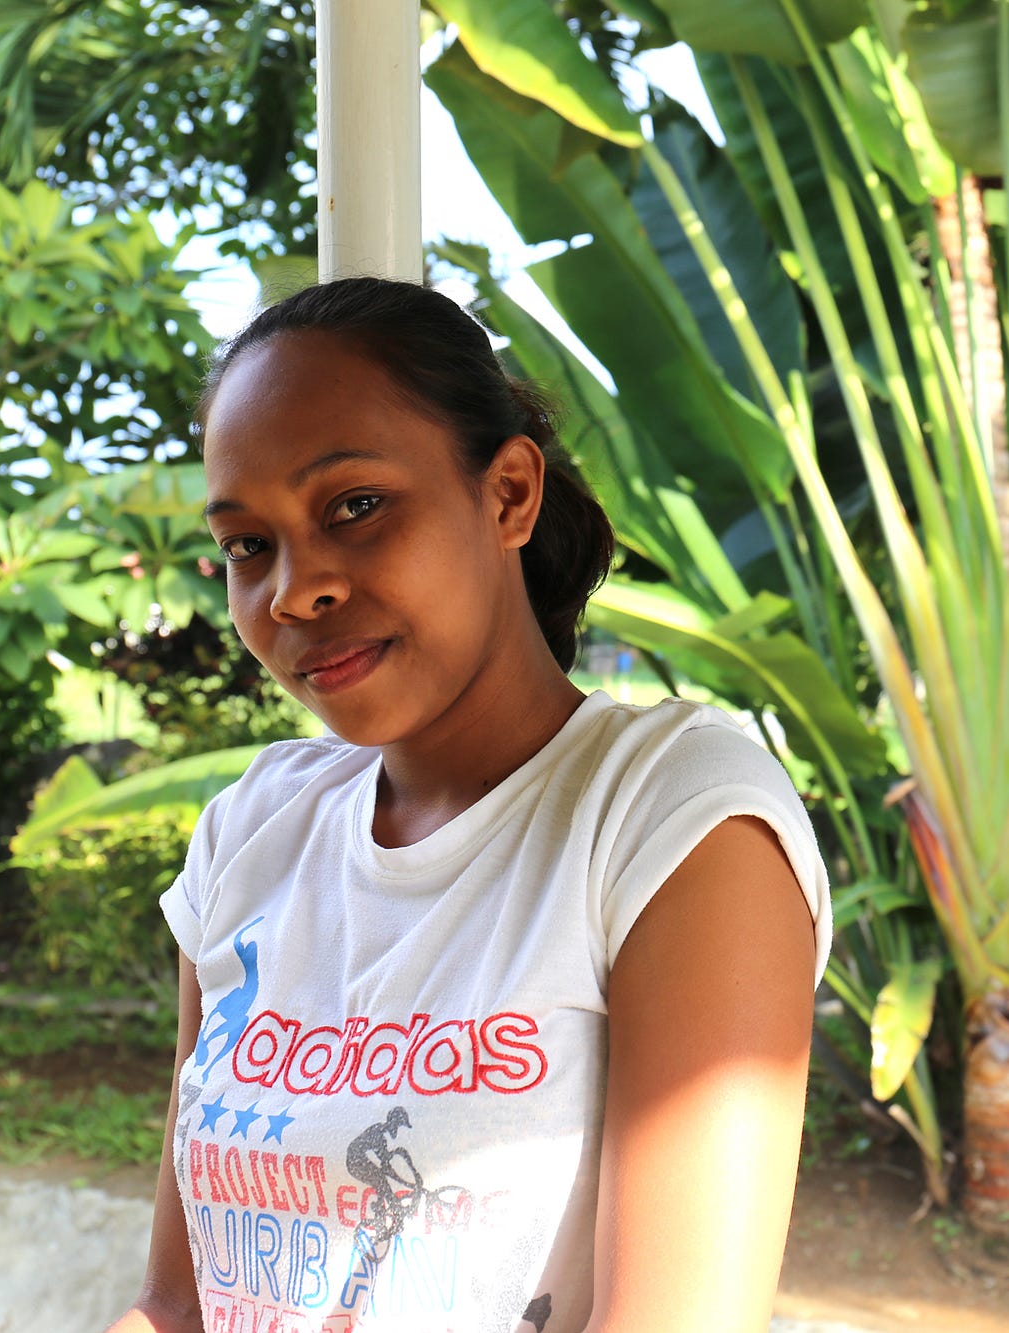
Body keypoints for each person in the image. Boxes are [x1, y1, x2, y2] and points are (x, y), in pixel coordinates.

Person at [107, 277, 830, 1333]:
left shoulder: (669, 820)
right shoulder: (251, 832)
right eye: (248, 545)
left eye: (354, 506)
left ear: (508, 496)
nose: (293, 590)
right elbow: (177, 1306)